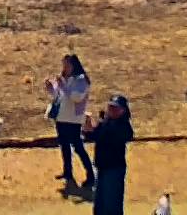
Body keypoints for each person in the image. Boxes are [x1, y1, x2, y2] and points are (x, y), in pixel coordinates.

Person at [45, 53, 94, 187]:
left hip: (73, 119)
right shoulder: (63, 79)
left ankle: (91, 174)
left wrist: (63, 87)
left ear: (74, 65)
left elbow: (76, 97)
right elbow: (58, 95)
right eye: (64, 64)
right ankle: (68, 172)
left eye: (67, 65)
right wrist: (51, 88)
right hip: (61, 117)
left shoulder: (81, 80)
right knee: (64, 146)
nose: (65, 67)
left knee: (78, 147)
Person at [83, 94, 134, 215]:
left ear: (123, 110)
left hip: (114, 169)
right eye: (110, 107)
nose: (111, 110)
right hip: (101, 167)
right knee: (99, 204)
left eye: (115, 108)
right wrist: (88, 127)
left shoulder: (124, 126)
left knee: (112, 205)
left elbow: (113, 137)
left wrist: (99, 128)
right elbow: (94, 136)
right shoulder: (105, 122)